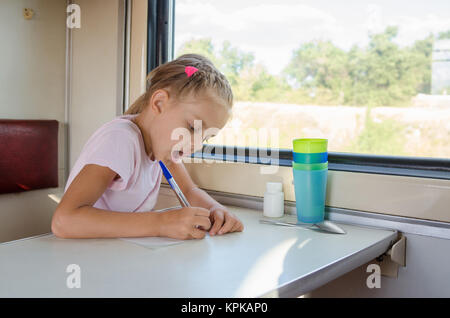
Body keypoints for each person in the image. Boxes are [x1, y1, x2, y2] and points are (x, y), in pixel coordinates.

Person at [52, 54, 244, 240]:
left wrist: (216, 210)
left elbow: (189, 191)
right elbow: (64, 221)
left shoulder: (161, 149)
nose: (195, 145)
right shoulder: (120, 140)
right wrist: (161, 223)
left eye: (207, 138)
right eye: (192, 127)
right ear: (159, 103)